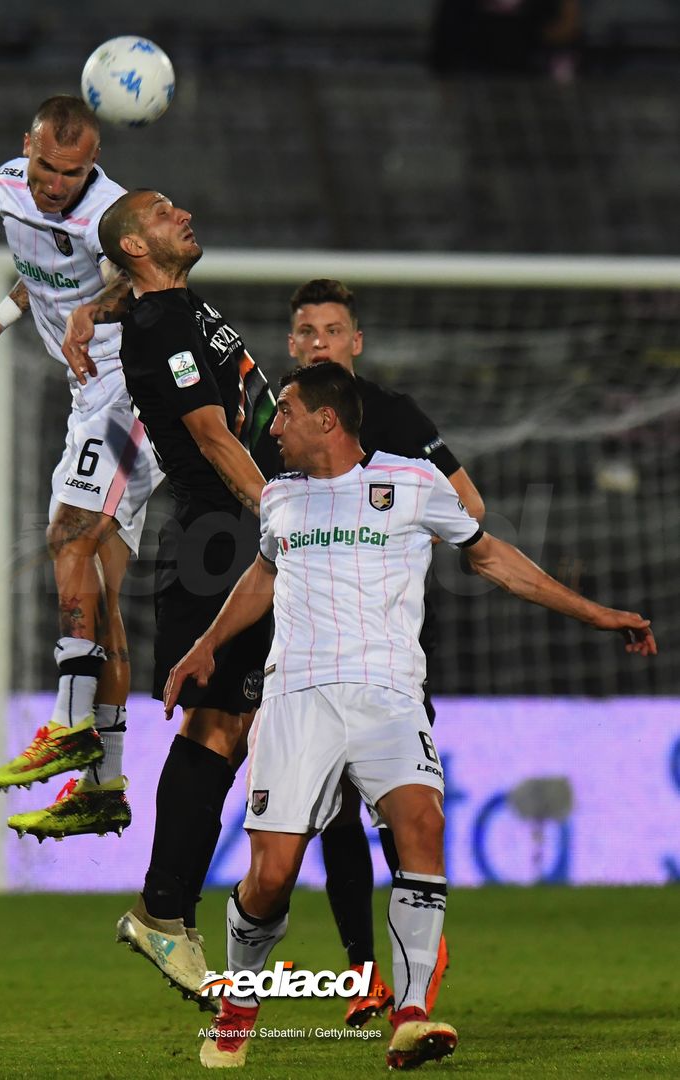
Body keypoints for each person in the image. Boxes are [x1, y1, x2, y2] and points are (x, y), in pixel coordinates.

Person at [164, 361, 655, 1070]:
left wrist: (598, 613)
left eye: (289, 412)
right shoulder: (281, 500)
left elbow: (494, 560)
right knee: (270, 876)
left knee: (422, 824)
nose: (276, 426)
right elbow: (265, 574)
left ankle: (414, 1012)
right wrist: (207, 644)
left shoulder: (413, 484)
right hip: (298, 698)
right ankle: (239, 1005)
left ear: (327, 421)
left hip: (389, 695)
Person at [83, 188, 280, 1007]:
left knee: (230, 726)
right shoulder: (160, 323)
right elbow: (210, 433)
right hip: (219, 534)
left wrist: (91, 303)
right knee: (220, 722)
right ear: (135, 246)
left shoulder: (170, 304)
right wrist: (288, 514)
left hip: (233, 528)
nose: (184, 214)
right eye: (162, 214)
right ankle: (166, 910)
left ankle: (168, 909)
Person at [0, 96, 162, 840]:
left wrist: (97, 309)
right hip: (88, 395)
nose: (55, 185)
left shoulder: (112, 213)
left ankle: (70, 723)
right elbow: (39, 273)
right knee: (101, 586)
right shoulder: (10, 187)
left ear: (92, 165)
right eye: (47, 166)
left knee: (67, 533)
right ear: (26, 150)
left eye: (72, 173)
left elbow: (143, 284)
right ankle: (103, 786)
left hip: (131, 390)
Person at [287, 278, 485, 1026]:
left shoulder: (393, 416)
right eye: (305, 331)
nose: (317, 343)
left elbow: (471, 507)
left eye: (331, 331)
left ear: (355, 343)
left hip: (383, 656)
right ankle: (362, 970)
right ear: (290, 342)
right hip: (305, 651)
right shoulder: (282, 422)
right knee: (330, 814)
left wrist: (398, 535)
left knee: (399, 813)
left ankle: (413, 964)